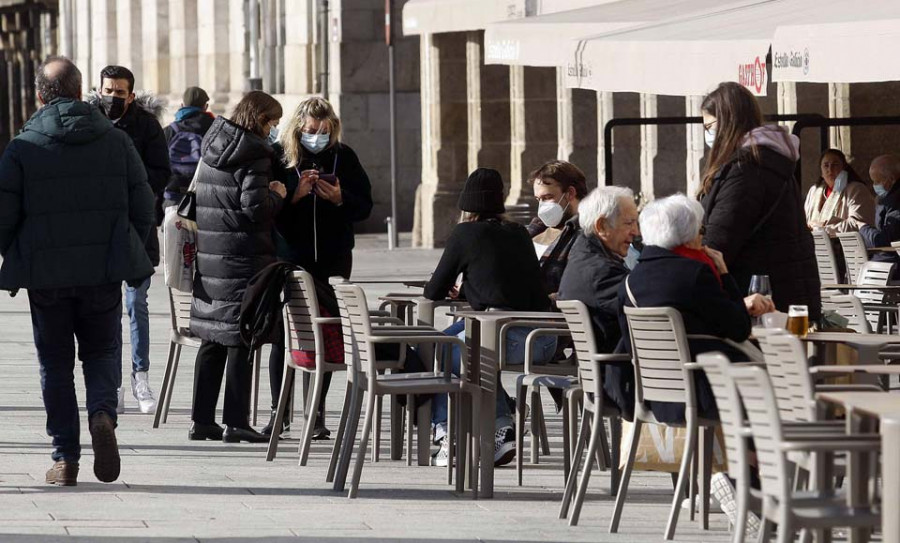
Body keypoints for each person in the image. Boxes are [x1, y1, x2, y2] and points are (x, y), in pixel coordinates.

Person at [0, 56, 155, 485]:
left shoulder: (24, 146)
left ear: (39, 95)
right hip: (101, 271)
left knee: (54, 363)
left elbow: (4, 215)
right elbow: (145, 205)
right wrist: (126, 248)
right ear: (80, 90)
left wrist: (15, 255)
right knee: (102, 351)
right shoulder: (115, 140)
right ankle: (102, 414)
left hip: (46, 275)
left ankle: (65, 457)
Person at [423, 168, 557, 468]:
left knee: (442, 350)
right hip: (544, 337)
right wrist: (474, 288)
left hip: (510, 337)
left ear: (466, 205)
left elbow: (434, 291)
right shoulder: (519, 233)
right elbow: (505, 284)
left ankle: (452, 433)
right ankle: (497, 423)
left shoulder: (465, 233)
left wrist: (464, 288)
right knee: (450, 341)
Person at [263, 96, 374, 438]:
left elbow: (365, 206)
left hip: (332, 255)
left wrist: (339, 199)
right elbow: (267, 209)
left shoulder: (344, 157)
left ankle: (316, 413)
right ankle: (278, 414)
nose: (317, 137)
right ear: (298, 128)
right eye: (312, 130)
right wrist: (294, 197)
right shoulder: (280, 158)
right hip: (290, 256)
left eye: (324, 131)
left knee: (325, 333)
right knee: (286, 334)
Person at [614, 194, 773, 423]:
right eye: (701, 230)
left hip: (655, 397)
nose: (702, 236)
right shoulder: (695, 274)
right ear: (687, 235)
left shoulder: (630, 281)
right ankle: (757, 456)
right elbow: (739, 328)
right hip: (707, 394)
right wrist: (725, 274)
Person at [189, 91, 286, 444]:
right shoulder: (255, 154)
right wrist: (279, 194)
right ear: (260, 119)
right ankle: (236, 421)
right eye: (273, 122)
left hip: (212, 255)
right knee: (242, 336)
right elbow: (255, 208)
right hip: (244, 258)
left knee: (213, 337)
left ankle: (202, 420)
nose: (275, 129)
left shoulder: (215, 142)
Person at [698, 81, 821, 321]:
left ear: (727, 123)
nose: (708, 135)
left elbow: (720, 242)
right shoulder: (771, 162)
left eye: (710, 126)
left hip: (762, 304)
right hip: (787, 297)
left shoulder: (747, 170)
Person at [98, 65, 171, 414]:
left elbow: (163, 172)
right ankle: (113, 383)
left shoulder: (147, 126)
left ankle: (140, 376)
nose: (113, 98)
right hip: (99, 234)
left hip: (139, 230)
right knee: (108, 310)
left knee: (136, 304)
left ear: (131, 94)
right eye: (108, 90)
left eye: (120, 92)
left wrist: (133, 189)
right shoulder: (90, 122)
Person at [557, 186, 638, 354]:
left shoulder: (582, 257)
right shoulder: (601, 273)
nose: (636, 232)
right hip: (622, 373)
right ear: (601, 226)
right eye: (629, 223)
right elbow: (651, 307)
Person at [526, 160, 588, 296]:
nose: (542, 206)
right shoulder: (531, 232)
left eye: (548, 197)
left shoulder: (587, 236)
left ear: (570, 193)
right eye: (538, 200)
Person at [163, 86, 215, 208]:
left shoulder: (169, 131)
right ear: (205, 107)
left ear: (182, 105)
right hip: (206, 196)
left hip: (174, 195)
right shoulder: (216, 129)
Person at [803, 148, 875, 235]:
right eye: (826, 165)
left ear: (844, 167)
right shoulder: (813, 191)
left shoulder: (856, 189)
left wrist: (823, 229)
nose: (830, 169)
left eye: (835, 164)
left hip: (844, 246)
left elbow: (859, 225)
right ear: (821, 171)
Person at [861, 154, 900, 263]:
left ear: (891, 179)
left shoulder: (895, 201)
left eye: (877, 181)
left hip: (892, 262)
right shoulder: (887, 198)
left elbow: (884, 240)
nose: (874, 185)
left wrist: (863, 229)